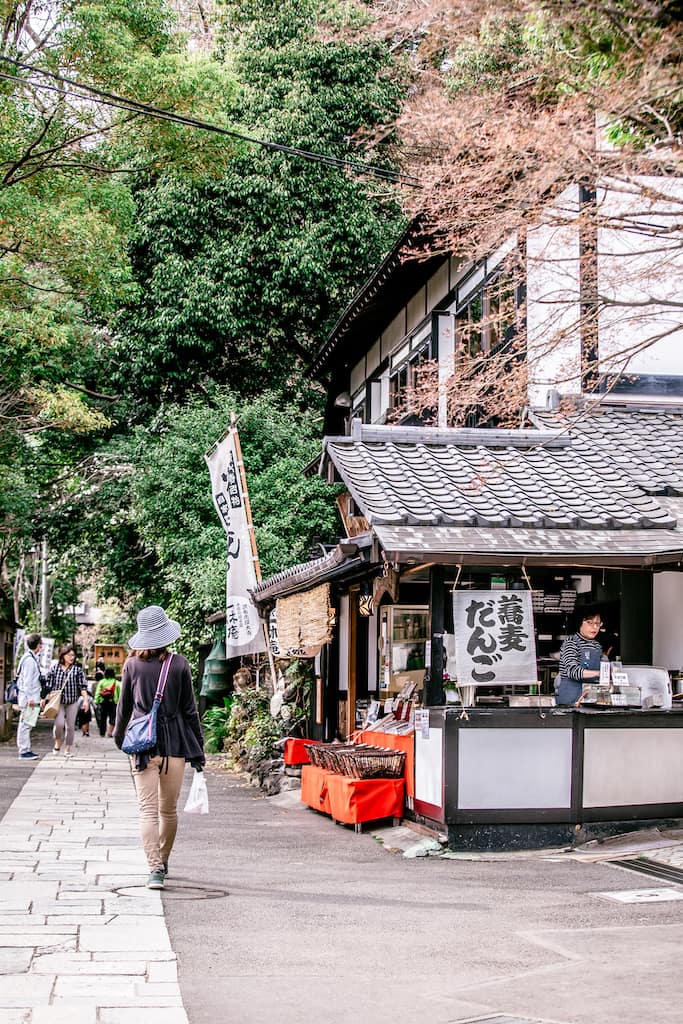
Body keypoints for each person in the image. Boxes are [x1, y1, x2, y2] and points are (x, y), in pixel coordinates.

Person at [113, 605, 205, 890]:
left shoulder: (131, 665)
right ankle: (162, 863)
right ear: (166, 634)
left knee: (147, 811)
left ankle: (154, 868)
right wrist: (198, 749)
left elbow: (124, 707)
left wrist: (120, 739)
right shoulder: (179, 664)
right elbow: (190, 710)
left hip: (142, 747)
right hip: (175, 745)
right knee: (168, 812)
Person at [556, 606, 605, 706]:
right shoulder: (571, 642)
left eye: (597, 623)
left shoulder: (597, 646)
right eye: (590, 623)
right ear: (580, 623)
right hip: (571, 696)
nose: (595, 627)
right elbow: (572, 671)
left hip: (591, 697)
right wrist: (599, 673)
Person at [46, 643, 90, 755]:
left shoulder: (77, 670)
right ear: (63, 655)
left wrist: (85, 701)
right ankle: (57, 742)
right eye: (69, 655)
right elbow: (49, 685)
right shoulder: (55, 669)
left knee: (70, 726)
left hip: (72, 701)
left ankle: (67, 748)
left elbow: (82, 687)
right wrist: (44, 698)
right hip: (58, 702)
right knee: (59, 724)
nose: (72, 657)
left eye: (73, 655)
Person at [15, 633, 45, 761]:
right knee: (26, 724)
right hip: (30, 698)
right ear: (38, 645)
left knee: (27, 724)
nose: (41, 647)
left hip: (30, 696)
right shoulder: (29, 661)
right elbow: (26, 682)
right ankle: (24, 750)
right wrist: (30, 699)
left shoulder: (28, 658)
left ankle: (25, 749)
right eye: (40, 644)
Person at [94, 667, 119, 737]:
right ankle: (110, 732)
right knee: (112, 717)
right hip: (113, 702)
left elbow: (98, 692)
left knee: (103, 718)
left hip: (103, 702)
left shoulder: (102, 682)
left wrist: (96, 701)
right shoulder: (116, 682)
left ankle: (102, 733)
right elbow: (120, 693)